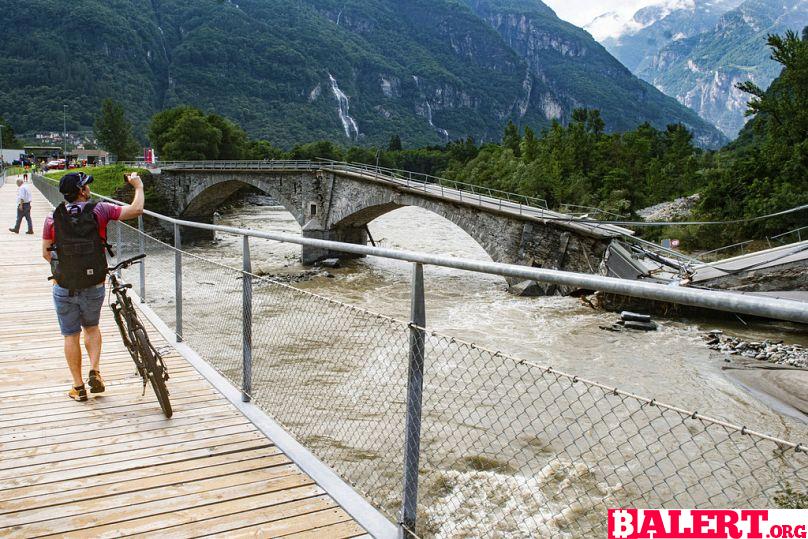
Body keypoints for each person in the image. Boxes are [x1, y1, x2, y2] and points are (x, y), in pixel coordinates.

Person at [42, 171, 144, 401]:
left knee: (70, 335)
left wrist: (68, 269)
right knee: (91, 328)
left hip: (65, 286)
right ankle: (95, 370)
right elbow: (136, 210)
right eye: (86, 185)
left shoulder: (52, 217)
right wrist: (138, 187)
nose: (89, 188)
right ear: (81, 191)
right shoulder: (101, 210)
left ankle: (78, 388)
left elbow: (46, 253)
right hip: (94, 283)